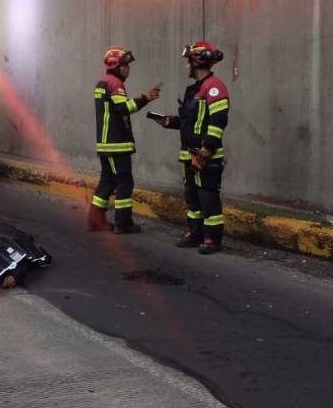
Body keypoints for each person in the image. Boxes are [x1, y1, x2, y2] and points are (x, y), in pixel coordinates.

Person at [153, 40, 229, 254]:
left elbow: (218, 120)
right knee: (192, 196)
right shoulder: (195, 90)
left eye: (188, 62)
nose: (187, 66)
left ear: (196, 62)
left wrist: (207, 148)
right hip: (189, 154)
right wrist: (171, 122)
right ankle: (195, 233)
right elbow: (191, 122)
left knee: (208, 197)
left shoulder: (214, 88)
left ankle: (212, 239)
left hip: (206, 155)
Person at [89, 46, 160, 234]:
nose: (128, 69)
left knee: (108, 180)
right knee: (124, 181)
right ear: (115, 65)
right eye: (125, 65)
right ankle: (123, 223)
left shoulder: (103, 82)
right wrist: (145, 98)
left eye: (128, 65)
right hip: (116, 144)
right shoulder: (115, 84)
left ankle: (95, 219)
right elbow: (123, 108)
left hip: (106, 143)